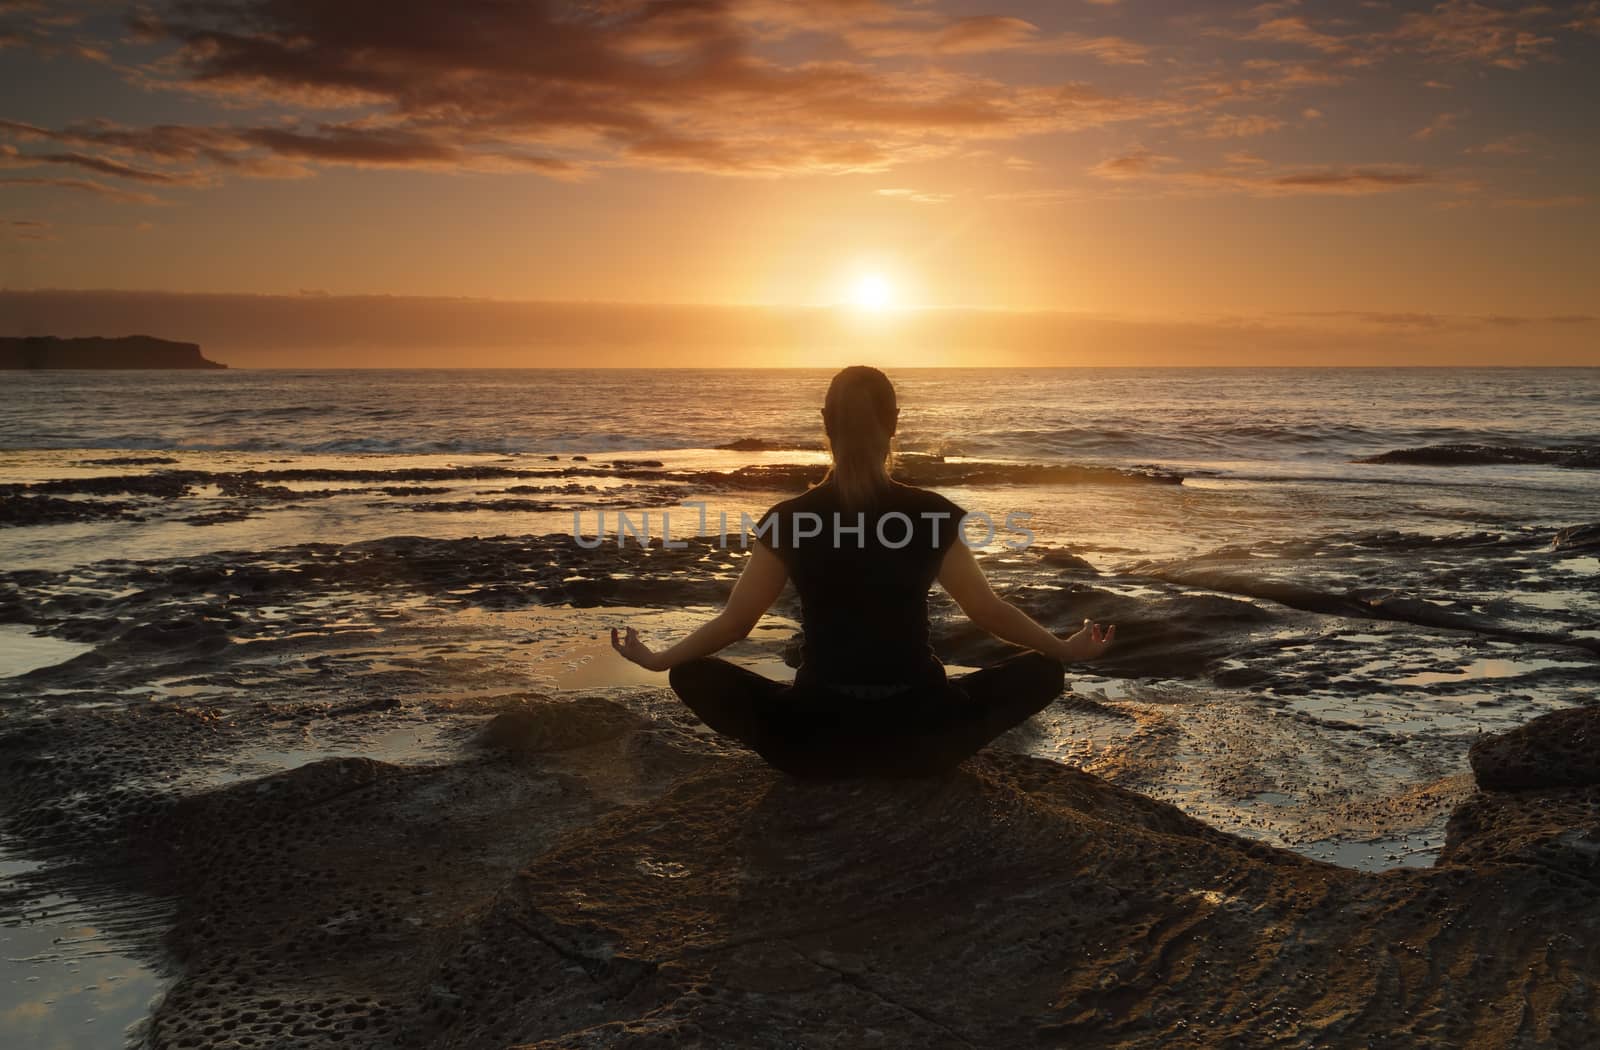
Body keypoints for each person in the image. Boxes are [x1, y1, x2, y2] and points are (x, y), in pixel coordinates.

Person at [612, 365, 1114, 778]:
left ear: (825, 422)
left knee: (692, 674)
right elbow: (985, 610)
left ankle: (829, 760)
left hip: (816, 734)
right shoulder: (931, 513)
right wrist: (1065, 649)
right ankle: (911, 758)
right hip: (923, 730)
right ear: (894, 422)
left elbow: (736, 622)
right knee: (1043, 671)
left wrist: (660, 659)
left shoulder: (792, 518)